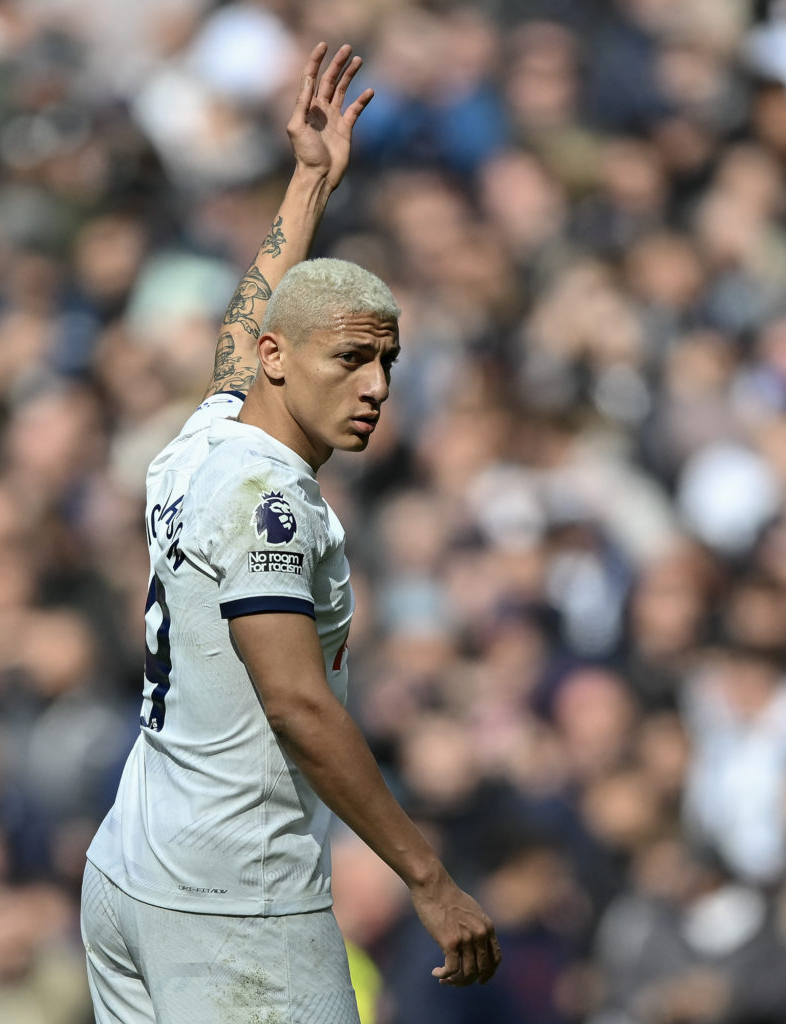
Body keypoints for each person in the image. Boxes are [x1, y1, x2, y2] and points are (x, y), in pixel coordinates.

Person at [79, 42, 500, 1024]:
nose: (377, 387)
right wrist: (428, 877)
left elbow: (241, 322)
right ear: (281, 359)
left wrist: (310, 180)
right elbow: (298, 707)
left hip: (132, 870)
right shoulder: (270, 499)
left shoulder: (200, 440)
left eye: (388, 362)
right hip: (234, 895)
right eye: (350, 359)